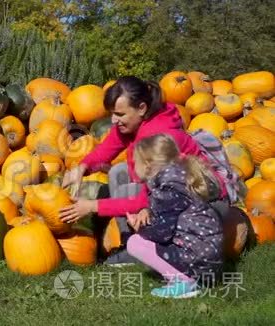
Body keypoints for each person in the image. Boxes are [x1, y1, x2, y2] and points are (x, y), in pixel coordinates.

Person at [59, 76, 228, 266]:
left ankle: (144, 247)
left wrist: (91, 206)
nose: (114, 120)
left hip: (203, 207)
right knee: (119, 173)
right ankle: (129, 242)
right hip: (173, 195)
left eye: (120, 114)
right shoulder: (133, 123)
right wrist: (82, 167)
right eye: (112, 114)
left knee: (132, 193)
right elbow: (107, 148)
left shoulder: (159, 140)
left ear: (141, 108)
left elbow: (145, 200)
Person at [126, 134, 223, 298]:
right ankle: (183, 275)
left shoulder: (169, 189)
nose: (133, 167)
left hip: (198, 259)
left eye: (136, 163)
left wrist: (140, 228)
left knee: (135, 243)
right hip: (205, 256)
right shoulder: (178, 179)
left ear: (148, 165)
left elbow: (163, 233)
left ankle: (184, 281)